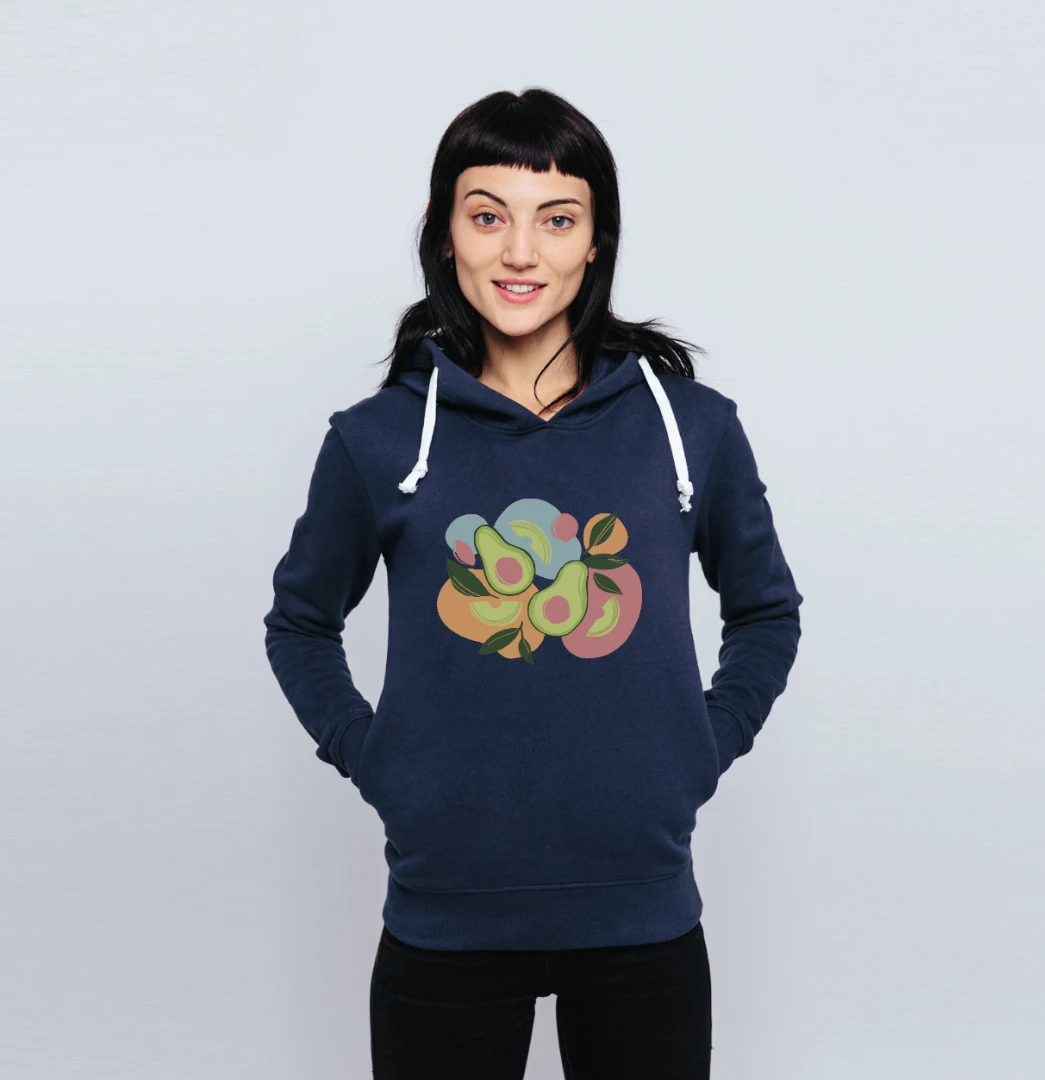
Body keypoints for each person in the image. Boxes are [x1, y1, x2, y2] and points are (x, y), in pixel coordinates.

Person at [263, 87, 803, 1079]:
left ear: (596, 242)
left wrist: (701, 746)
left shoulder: (693, 429)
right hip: (446, 918)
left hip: (641, 914)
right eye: (488, 217)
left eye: (556, 220)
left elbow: (766, 609)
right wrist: (374, 756)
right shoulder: (377, 441)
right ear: (445, 234)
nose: (521, 252)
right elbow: (300, 622)